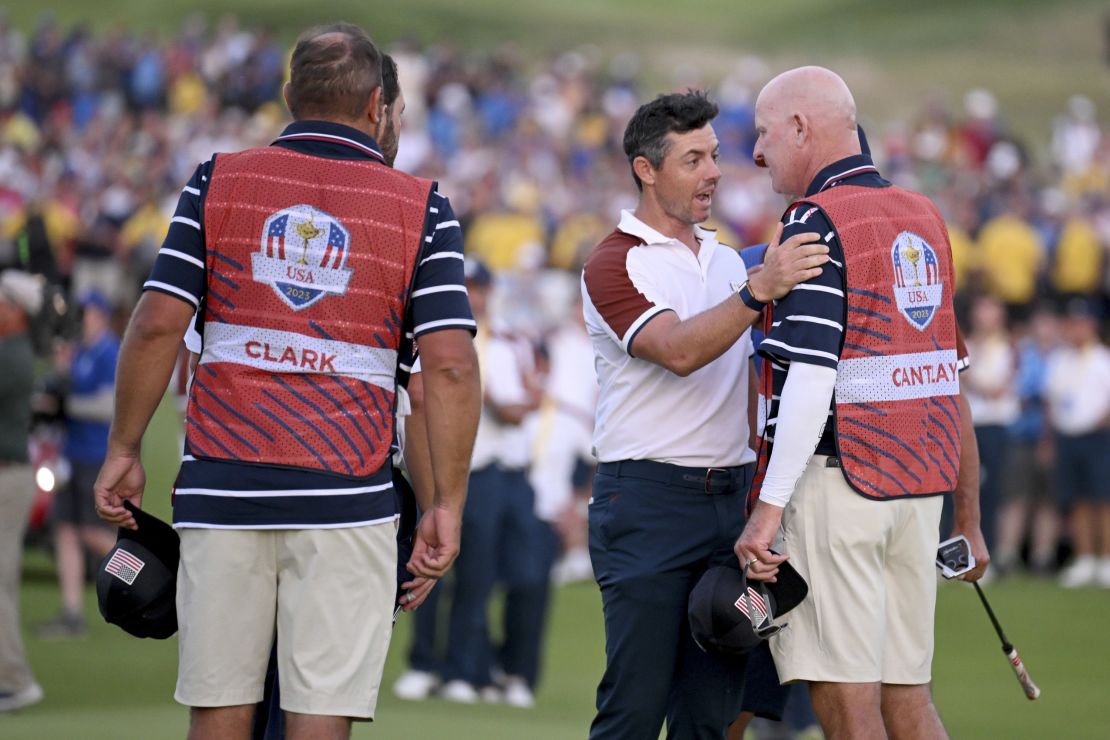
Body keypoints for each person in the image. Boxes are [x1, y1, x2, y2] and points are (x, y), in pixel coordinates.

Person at [93, 23, 480, 739]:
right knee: (319, 717)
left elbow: (154, 324)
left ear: (287, 97)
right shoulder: (421, 205)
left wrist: (123, 447)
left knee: (219, 711)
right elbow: (448, 366)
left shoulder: (217, 178)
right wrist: (445, 504)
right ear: (376, 105)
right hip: (347, 494)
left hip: (223, 484)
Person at [736, 66, 988, 740]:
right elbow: (947, 379)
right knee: (910, 698)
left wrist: (767, 512)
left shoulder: (815, 220)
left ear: (799, 127)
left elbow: (812, 381)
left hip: (840, 488)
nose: (757, 153)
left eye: (763, 134)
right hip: (917, 496)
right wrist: (968, 513)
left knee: (848, 707)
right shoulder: (924, 214)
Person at [580, 89, 828, 740]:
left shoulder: (723, 258)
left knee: (710, 719)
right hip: (646, 504)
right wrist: (760, 289)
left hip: (730, 507)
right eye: (693, 159)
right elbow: (679, 351)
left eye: (715, 156)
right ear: (646, 169)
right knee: (632, 711)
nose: (714, 172)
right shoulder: (613, 262)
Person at [36, 290, 120, 639]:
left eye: (86, 312)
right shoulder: (80, 351)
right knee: (66, 531)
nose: (81, 318)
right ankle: (72, 613)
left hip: (95, 454)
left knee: (93, 532)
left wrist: (64, 404)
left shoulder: (108, 351)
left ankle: (155, 583)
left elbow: (106, 407)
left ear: (100, 315)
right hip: (72, 454)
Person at [0, 270, 45, 712]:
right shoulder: (13, 350)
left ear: (14, 311)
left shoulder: (12, 356)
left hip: (8, 478)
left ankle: (15, 680)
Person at [1045, 298, 1110, 588]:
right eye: (1072, 324)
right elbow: (1051, 399)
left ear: (1092, 326)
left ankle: (1105, 559)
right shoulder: (1061, 359)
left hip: (1098, 436)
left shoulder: (1103, 359)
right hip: (1067, 436)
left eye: (1082, 324)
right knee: (1078, 500)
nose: (1076, 330)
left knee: (1103, 499)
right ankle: (1084, 559)